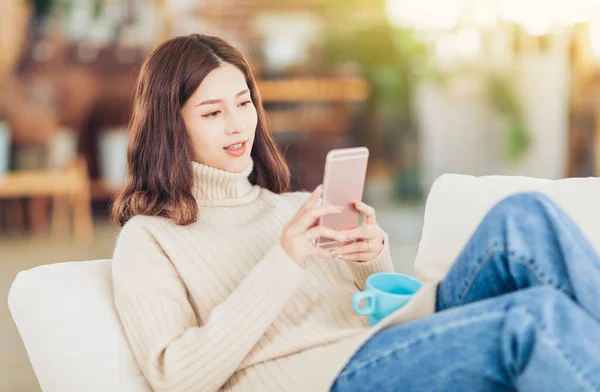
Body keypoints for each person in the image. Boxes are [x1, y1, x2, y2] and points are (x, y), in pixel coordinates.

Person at [111, 34, 600, 392]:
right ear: (171, 125)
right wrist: (284, 260)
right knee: (533, 320)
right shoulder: (150, 238)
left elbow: (363, 308)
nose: (238, 124)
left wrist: (370, 254)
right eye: (212, 112)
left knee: (524, 216)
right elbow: (175, 378)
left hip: (381, 344)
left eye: (243, 103)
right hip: (323, 378)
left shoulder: (287, 207)